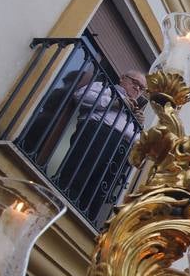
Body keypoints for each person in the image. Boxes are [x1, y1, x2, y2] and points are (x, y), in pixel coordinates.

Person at [58, 69, 145, 220]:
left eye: (142, 88)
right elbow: (82, 96)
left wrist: (139, 125)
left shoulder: (135, 111)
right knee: (79, 176)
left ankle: (87, 217)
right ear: (122, 78)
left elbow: (137, 141)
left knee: (99, 191)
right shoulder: (106, 88)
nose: (137, 89)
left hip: (120, 149)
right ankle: (64, 204)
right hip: (97, 136)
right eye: (135, 83)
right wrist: (115, 102)